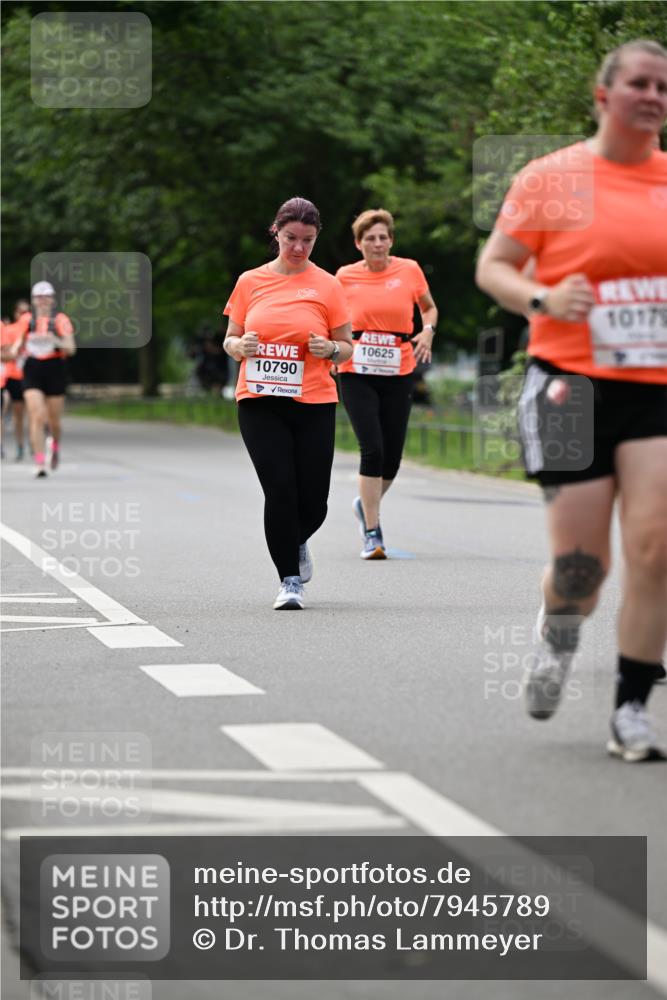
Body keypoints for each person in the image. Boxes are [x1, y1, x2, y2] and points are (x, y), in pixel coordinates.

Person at [476, 39, 667, 762]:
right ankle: (558, 632)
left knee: (654, 547)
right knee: (584, 572)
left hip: (654, 388)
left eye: (662, 87)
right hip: (569, 386)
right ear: (602, 94)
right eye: (638, 84)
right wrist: (542, 296)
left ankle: (629, 710)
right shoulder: (552, 177)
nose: (652, 96)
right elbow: (493, 266)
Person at [223, 197, 353, 610]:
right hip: (259, 401)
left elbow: (348, 347)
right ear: (275, 233)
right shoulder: (250, 281)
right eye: (291, 238)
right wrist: (238, 345)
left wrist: (330, 347)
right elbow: (230, 338)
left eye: (308, 240)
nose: (298, 248)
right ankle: (289, 580)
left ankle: (294, 539)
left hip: (314, 401)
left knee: (314, 500)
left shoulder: (328, 284)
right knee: (280, 490)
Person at [335, 209, 438, 558]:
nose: (377, 243)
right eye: (370, 238)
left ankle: (366, 505)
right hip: (356, 370)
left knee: (392, 458)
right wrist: (332, 350)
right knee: (373, 448)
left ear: (391, 241)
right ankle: (373, 532)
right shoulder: (344, 277)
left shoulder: (409, 270)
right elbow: (329, 318)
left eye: (383, 237)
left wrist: (427, 331)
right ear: (358, 243)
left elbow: (429, 308)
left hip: (398, 368)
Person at [8, 281, 76, 477]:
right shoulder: (27, 320)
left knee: (54, 421)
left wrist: (53, 340)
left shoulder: (60, 320)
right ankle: (39, 462)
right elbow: (18, 345)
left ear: (52, 299)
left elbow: (71, 348)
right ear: (34, 300)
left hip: (54, 368)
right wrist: (13, 352)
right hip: (32, 369)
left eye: (47, 296)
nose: (43, 300)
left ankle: (54, 446)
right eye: (39, 296)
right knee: (37, 415)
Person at [0, 300, 30, 460]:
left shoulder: (33, 329)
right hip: (10, 375)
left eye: (27, 312)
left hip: (28, 375)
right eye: (21, 312)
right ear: (15, 313)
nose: (24, 315)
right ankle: (9, 445)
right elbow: (7, 352)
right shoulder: (9, 329)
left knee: (26, 414)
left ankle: (26, 444)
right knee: (8, 412)